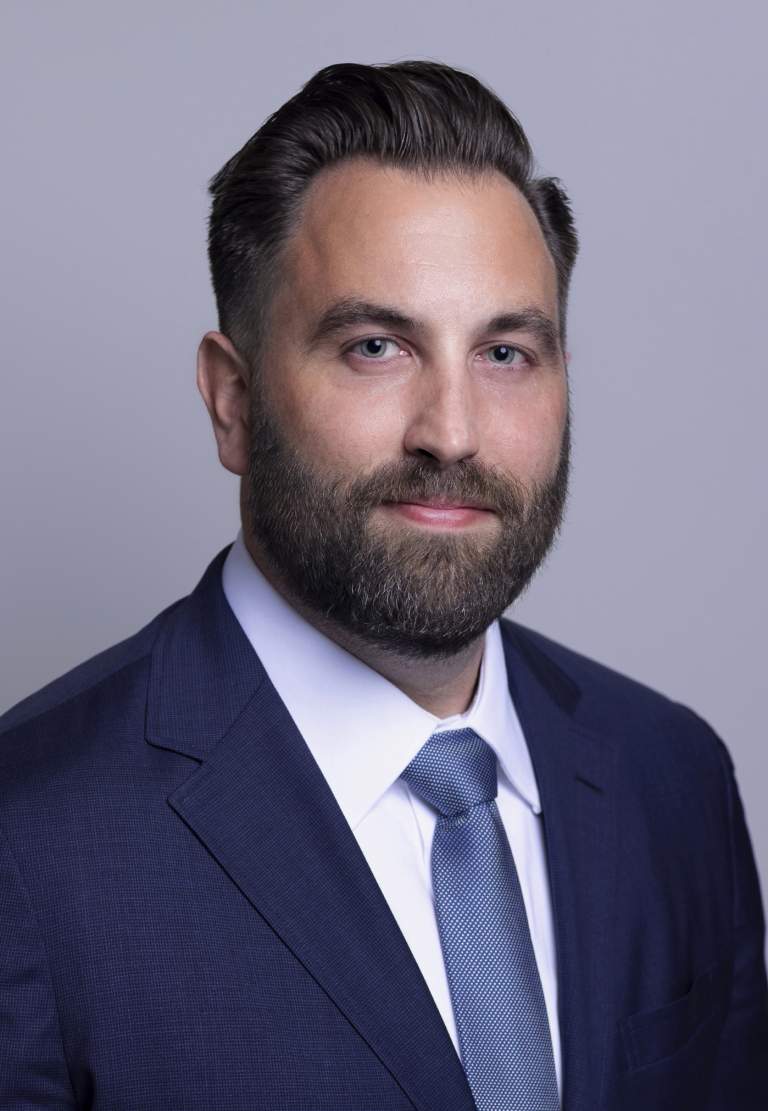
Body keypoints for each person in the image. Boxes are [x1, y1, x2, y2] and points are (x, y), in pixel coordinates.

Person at [1, 59, 766, 1111]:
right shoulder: (29, 842)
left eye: (505, 351)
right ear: (232, 401)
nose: (451, 432)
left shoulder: (672, 779)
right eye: (375, 346)